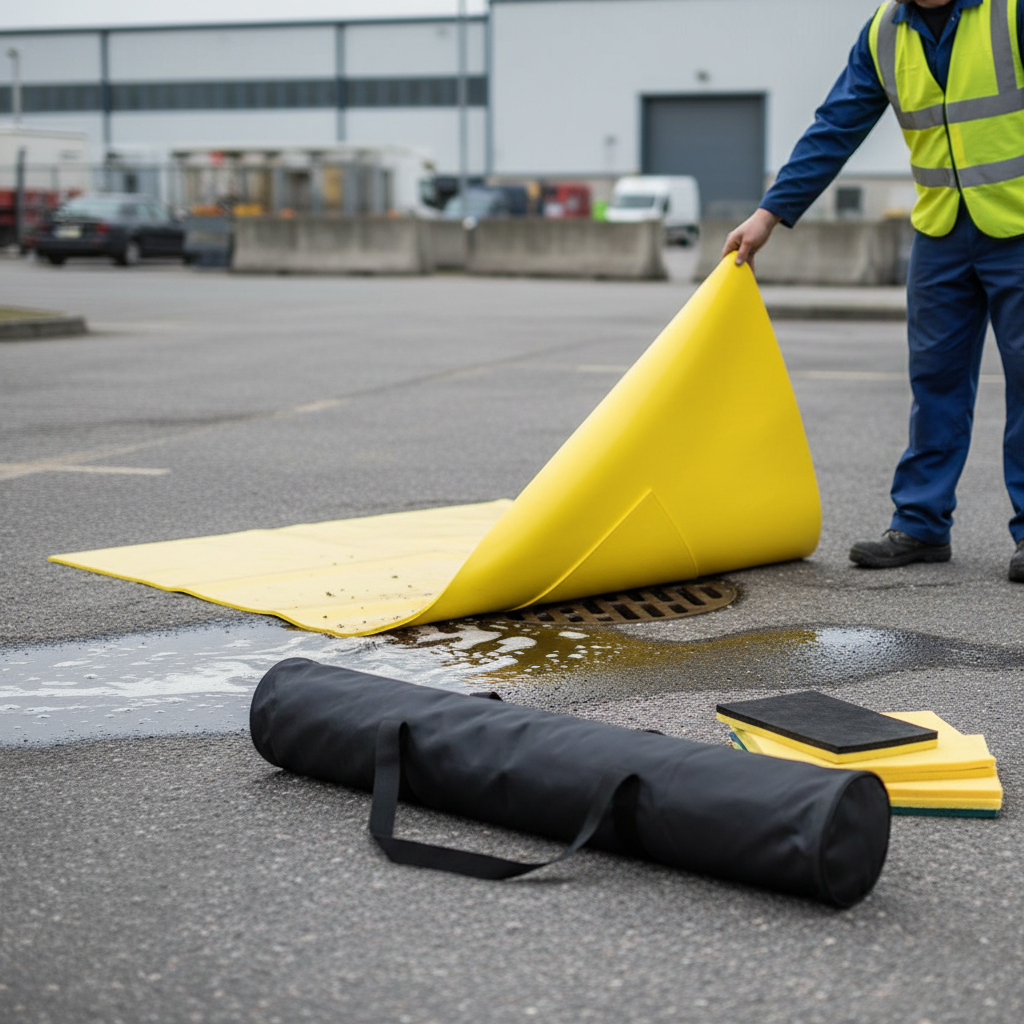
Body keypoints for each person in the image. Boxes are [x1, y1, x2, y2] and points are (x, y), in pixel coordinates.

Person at [723, 0, 1024, 582]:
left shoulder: (1009, 12)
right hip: (940, 232)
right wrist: (769, 214)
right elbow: (836, 124)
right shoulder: (885, 32)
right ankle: (921, 523)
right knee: (934, 379)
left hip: (1019, 227)